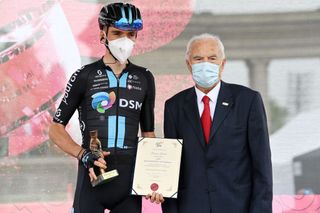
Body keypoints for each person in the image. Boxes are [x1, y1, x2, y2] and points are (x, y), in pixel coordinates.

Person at [49, 3, 164, 213]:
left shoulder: (144, 77)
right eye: (117, 33)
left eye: (131, 34)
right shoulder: (84, 75)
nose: (125, 40)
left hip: (129, 181)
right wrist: (82, 154)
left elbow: (148, 134)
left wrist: (153, 178)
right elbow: (55, 129)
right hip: (92, 173)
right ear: (103, 33)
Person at [163, 33, 273, 213]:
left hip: (238, 207)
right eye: (198, 58)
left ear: (223, 64)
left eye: (212, 58)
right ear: (188, 64)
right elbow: (170, 167)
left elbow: (261, 166)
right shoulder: (174, 106)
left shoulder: (248, 101)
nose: (205, 63)